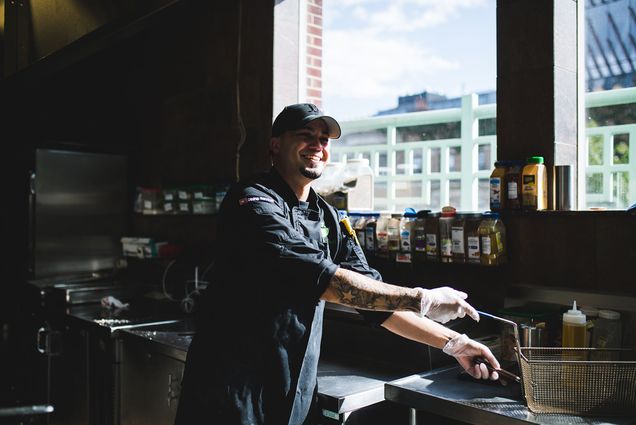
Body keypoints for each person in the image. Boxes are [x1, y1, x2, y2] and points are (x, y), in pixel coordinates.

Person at [174, 103, 501, 425]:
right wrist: (422, 298)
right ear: (276, 145)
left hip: (292, 391)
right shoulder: (252, 201)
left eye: (324, 139)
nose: (317, 145)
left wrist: (453, 343)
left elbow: (375, 303)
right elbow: (322, 279)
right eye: (306, 135)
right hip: (230, 389)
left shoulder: (328, 217)